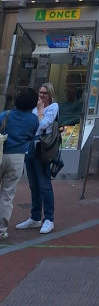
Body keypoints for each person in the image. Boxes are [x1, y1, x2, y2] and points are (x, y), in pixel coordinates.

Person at [16, 81, 59, 235]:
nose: (41, 95)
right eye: (40, 92)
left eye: (44, 93)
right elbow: (29, 125)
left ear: (50, 94)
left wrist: (40, 110)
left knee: (44, 183)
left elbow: (42, 126)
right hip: (30, 146)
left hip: (42, 148)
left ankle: (49, 218)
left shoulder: (53, 107)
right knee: (33, 184)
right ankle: (34, 217)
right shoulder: (33, 108)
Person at [0, 87, 40, 239]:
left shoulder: (6, 115)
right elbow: (31, 135)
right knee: (7, 194)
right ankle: (1, 229)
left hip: (1, 152)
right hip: (17, 158)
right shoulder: (33, 120)